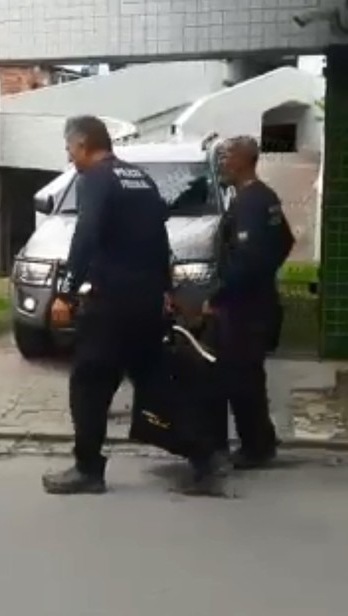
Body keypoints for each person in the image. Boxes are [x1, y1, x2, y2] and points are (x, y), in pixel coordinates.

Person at [42, 115, 221, 495]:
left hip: (111, 305)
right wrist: (167, 289)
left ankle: (87, 470)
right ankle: (202, 454)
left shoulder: (95, 179)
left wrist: (66, 292)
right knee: (155, 384)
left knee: (89, 384)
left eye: (70, 148)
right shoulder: (140, 179)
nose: (69, 156)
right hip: (145, 304)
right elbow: (160, 239)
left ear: (84, 145)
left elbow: (86, 234)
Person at [204, 136, 295, 470]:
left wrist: (217, 297)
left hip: (243, 308)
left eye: (227, 156)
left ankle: (255, 447)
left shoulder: (252, 203)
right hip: (254, 302)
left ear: (243, 159)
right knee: (246, 376)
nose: (222, 162)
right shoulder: (261, 198)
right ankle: (257, 442)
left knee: (240, 377)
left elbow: (245, 261)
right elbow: (284, 241)